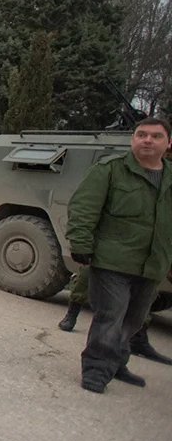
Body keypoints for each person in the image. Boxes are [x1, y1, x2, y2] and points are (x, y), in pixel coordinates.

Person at [69, 117, 172, 393]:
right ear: (132, 140)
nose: (147, 140)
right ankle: (96, 370)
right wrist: (81, 243)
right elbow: (84, 207)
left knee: (134, 320)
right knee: (111, 315)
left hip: (152, 265)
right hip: (112, 260)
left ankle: (116, 364)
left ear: (168, 143)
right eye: (141, 134)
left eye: (155, 136)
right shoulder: (110, 170)